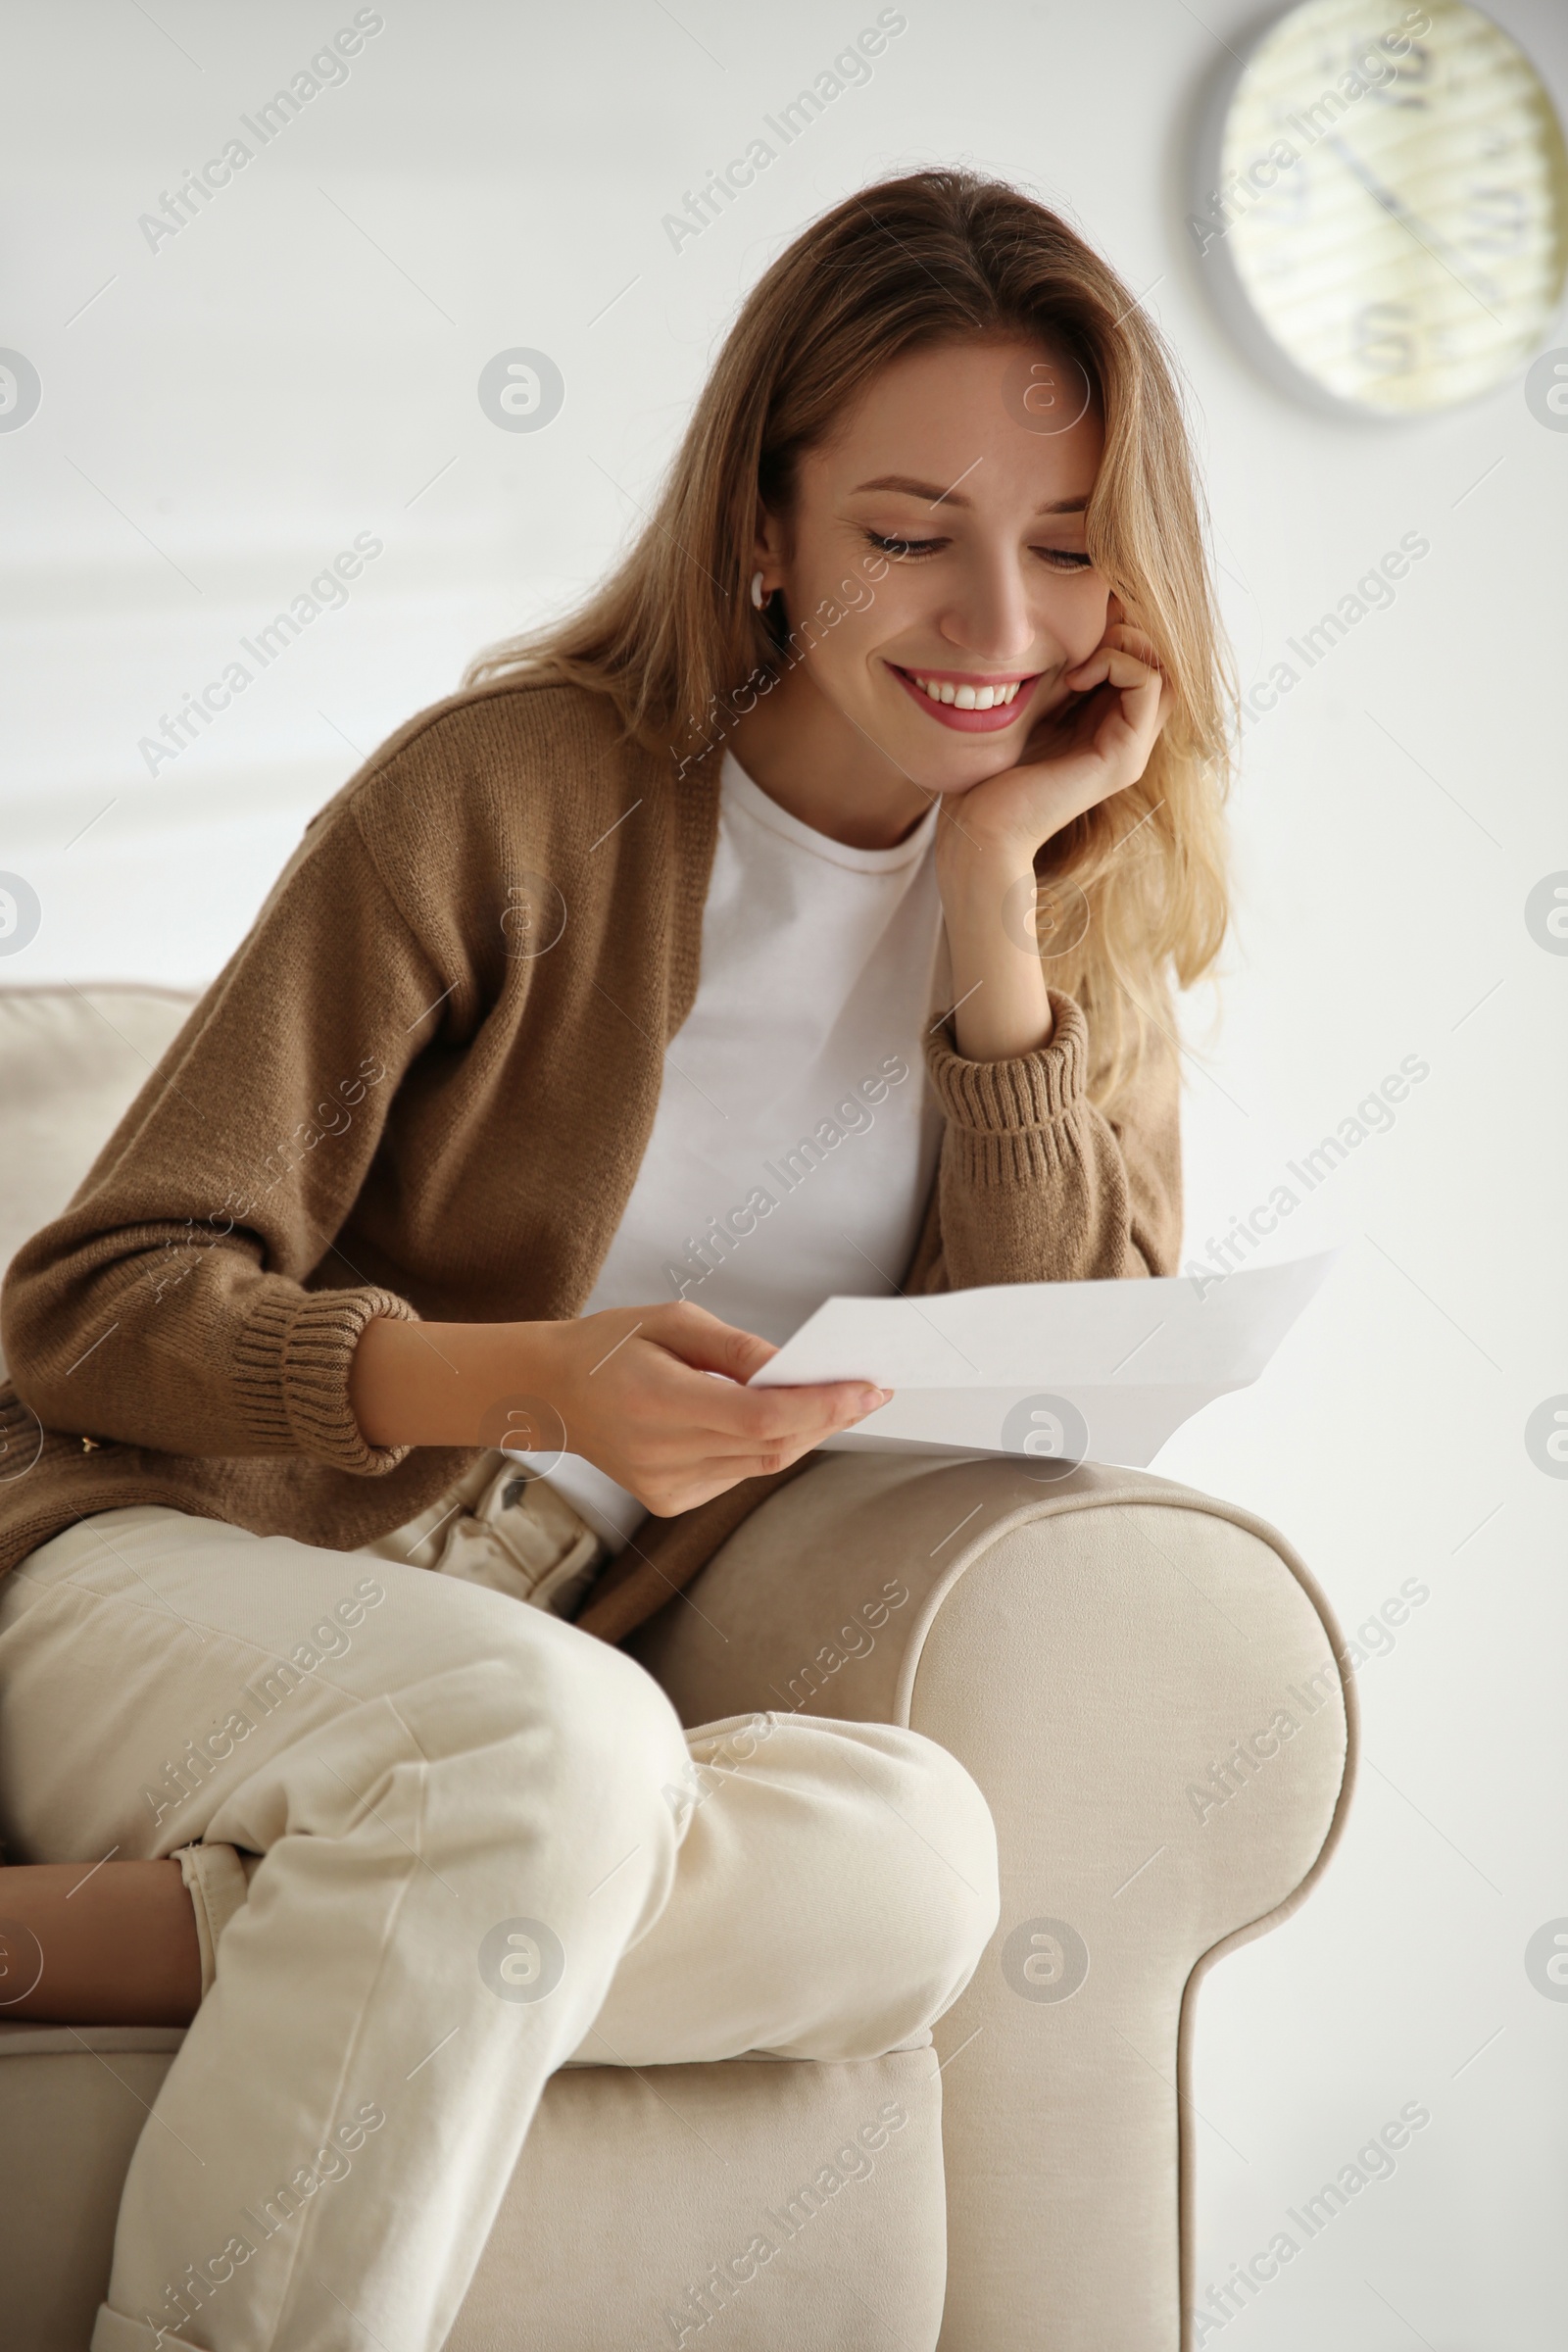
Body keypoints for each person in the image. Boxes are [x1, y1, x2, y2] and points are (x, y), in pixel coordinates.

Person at [0, 167, 1230, 2350]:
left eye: (1061, 546)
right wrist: (526, 1383)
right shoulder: (509, 797)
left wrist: (986, 902)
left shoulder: (1063, 930)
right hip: (148, 1577)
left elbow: (1054, 1391)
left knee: (919, 1864)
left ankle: (99, 1935)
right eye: (904, 531)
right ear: (759, 527)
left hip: (515, 1697)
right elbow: (92, 1302)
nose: (996, 623)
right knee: (554, 1759)